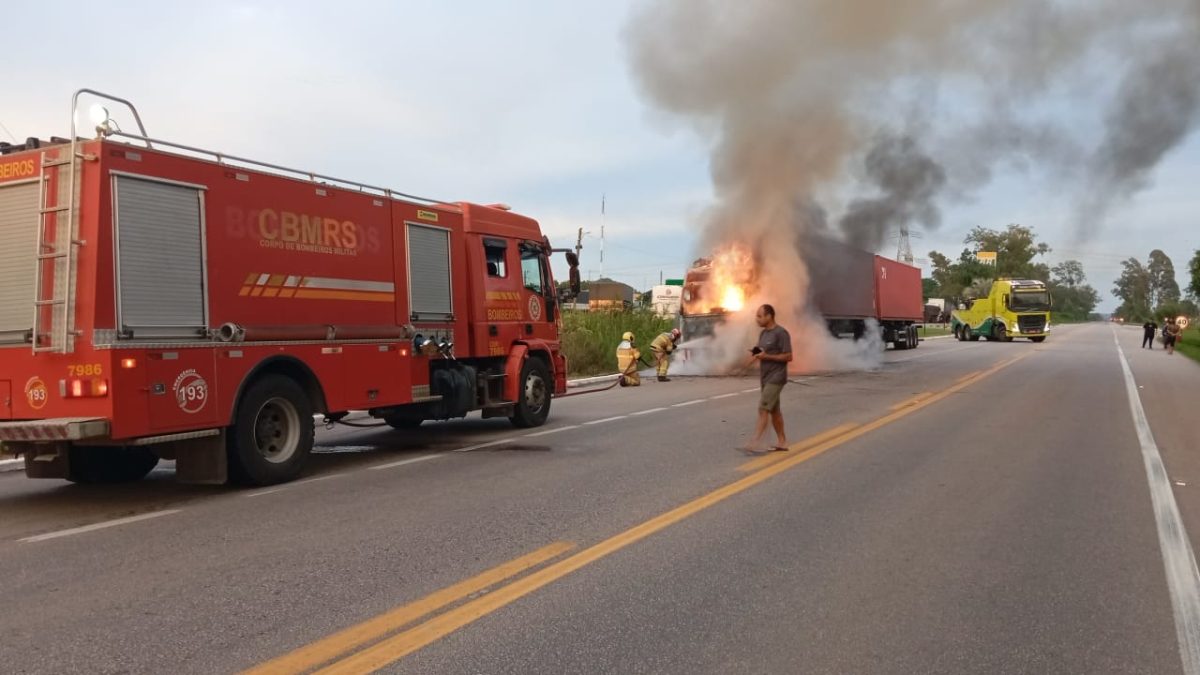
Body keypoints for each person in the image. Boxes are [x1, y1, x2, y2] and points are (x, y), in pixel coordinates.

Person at [743, 304, 793, 454]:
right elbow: (760, 352)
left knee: (763, 408)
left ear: (769, 316)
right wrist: (749, 361)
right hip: (765, 378)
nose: (757, 319)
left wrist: (767, 356)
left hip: (776, 377)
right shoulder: (763, 334)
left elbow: (789, 356)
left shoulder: (781, 333)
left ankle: (755, 442)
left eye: (760, 316)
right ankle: (782, 442)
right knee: (774, 411)